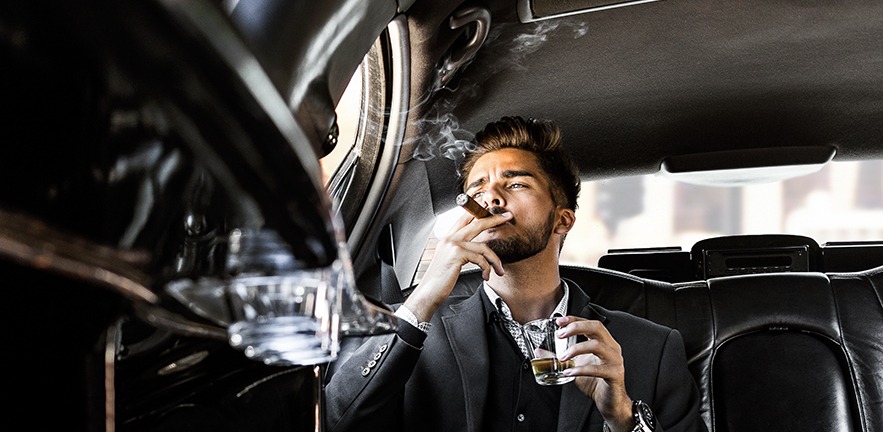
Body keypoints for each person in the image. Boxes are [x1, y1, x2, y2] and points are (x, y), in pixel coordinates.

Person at [323, 116, 706, 432]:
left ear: (563, 219)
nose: (491, 197)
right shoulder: (415, 333)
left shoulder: (651, 349)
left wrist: (623, 420)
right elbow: (336, 422)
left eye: (516, 183)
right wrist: (422, 299)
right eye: (479, 187)